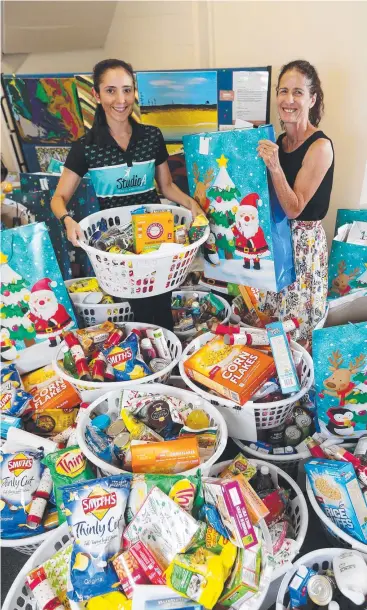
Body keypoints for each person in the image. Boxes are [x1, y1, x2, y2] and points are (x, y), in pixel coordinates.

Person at [51, 59, 203, 330]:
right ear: (96, 95)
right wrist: (67, 220)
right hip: (116, 247)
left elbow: (166, 187)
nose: (120, 99)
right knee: (140, 315)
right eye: (110, 91)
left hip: (156, 235)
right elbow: (58, 198)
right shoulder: (86, 147)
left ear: (135, 92)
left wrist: (193, 206)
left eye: (127, 90)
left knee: (163, 304)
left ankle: (167, 356)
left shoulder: (151, 137)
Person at [257, 59, 334, 342]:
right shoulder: (278, 141)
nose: (289, 100)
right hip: (277, 241)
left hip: (304, 247)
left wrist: (275, 166)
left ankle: (299, 383)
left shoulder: (320, 146)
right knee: (272, 322)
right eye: (283, 91)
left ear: (312, 99)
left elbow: (293, 208)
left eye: (298, 92)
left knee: (297, 328)